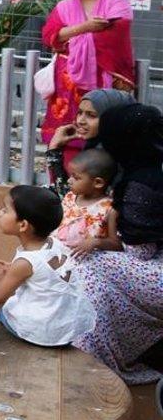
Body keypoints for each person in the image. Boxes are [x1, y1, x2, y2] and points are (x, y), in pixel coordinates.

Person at [48, 88, 163, 385]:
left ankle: (93, 360)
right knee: (68, 255)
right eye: (80, 113)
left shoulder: (136, 182)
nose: (82, 121)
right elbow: (70, 205)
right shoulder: (127, 162)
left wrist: (98, 240)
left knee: (80, 265)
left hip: (149, 267)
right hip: (140, 261)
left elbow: (138, 250)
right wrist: (55, 152)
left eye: (93, 115)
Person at [0, 186, 95, 347]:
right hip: (68, 327)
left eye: (5, 210)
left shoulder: (24, 264)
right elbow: (47, 269)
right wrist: (15, 269)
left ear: (23, 225)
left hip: (42, 333)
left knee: (0, 305)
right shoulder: (56, 243)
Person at [40, 0, 136, 174]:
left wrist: (67, 38)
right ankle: (62, 180)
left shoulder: (117, 2)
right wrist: (86, 27)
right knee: (66, 129)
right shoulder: (64, 6)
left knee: (102, 127)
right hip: (67, 85)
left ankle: (99, 184)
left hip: (104, 80)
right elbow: (48, 37)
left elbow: (115, 37)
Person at [53, 148, 120, 257]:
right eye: (70, 176)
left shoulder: (109, 209)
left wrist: (96, 242)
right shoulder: (70, 196)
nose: (69, 181)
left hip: (82, 260)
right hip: (56, 251)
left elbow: (116, 244)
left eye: (76, 178)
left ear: (98, 183)